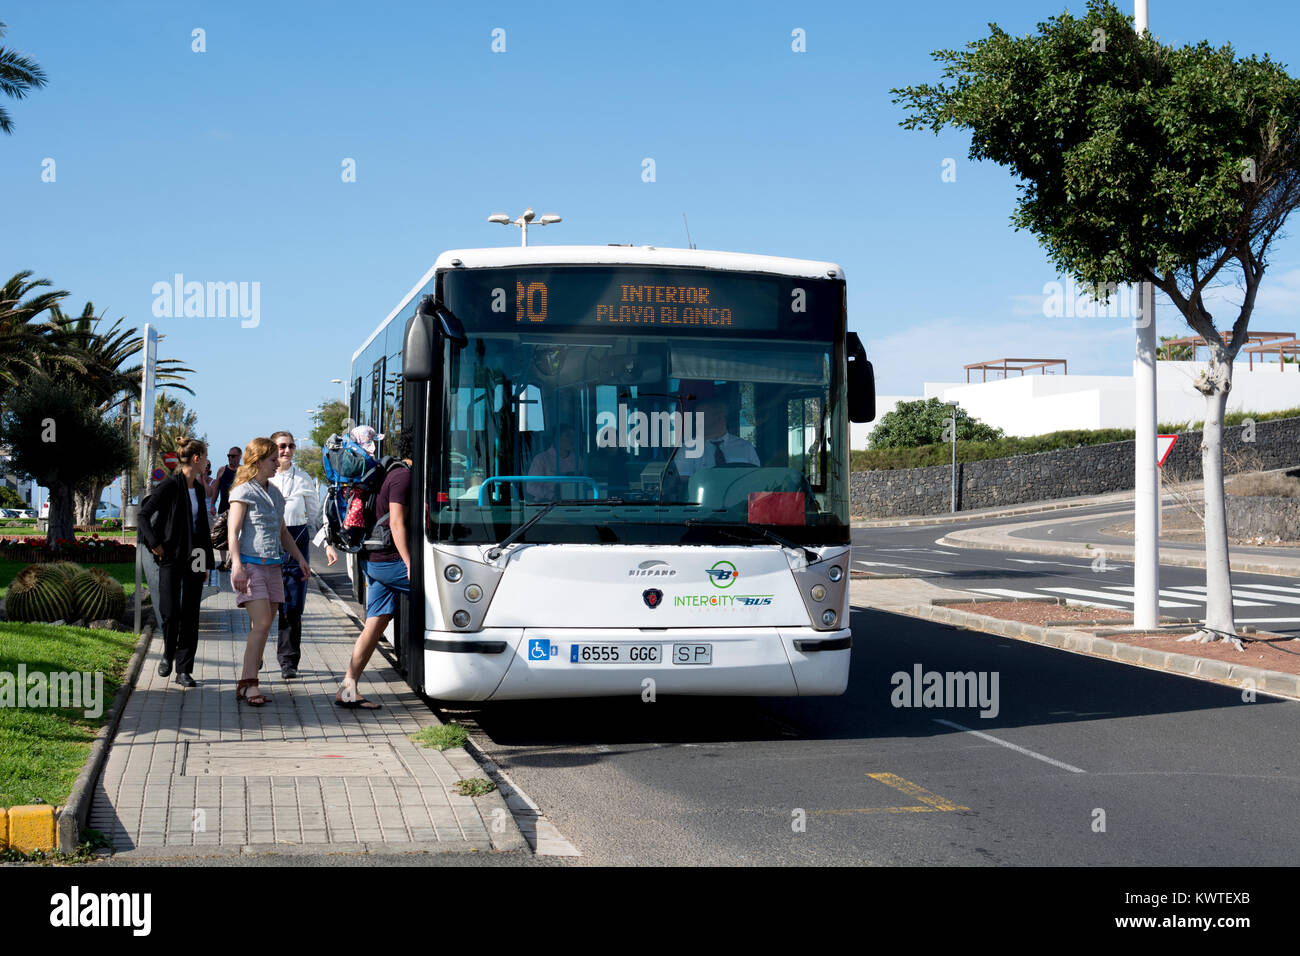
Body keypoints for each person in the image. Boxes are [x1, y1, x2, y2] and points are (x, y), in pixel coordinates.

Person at [328, 430, 412, 710]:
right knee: (440, 592)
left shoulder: (385, 472)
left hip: (373, 560)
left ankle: (348, 687)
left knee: (375, 624)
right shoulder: (401, 476)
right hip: (390, 561)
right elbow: (397, 524)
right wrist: (411, 566)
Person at [228, 437, 310, 706]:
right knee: (261, 623)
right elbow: (233, 531)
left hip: (273, 566)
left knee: (263, 627)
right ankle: (249, 684)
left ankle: (246, 680)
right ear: (259, 461)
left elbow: (282, 531)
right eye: (273, 460)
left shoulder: (274, 493)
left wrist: (299, 558)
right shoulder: (243, 491)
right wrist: (236, 565)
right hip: (250, 566)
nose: (278, 463)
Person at [137, 438, 215, 688]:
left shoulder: (200, 488)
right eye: (205, 457)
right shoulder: (170, 485)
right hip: (170, 556)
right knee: (170, 612)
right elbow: (143, 515)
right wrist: (154, 544)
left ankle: (184, 669)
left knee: (191, 614)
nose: (206, 462)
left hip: (194, 558)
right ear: (196, 458)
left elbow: (201, 528)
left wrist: (204, 563)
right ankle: (168, 653)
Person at [268, 430, 319, 680]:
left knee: (292, 609)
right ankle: (254, 657)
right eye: (281, 446)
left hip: (297, 543)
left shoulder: (303, 479)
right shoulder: (263, 478)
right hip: (267, 547)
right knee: (265, 608)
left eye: (290, 446)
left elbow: (314, 517)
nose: (286, 450)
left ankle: (289, 661)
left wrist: (325, 544)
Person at [673, 394, 759, 478]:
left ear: (719, 418)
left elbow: (755, 479)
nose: (696, 422)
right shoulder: (687, 450)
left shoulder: (745, 447)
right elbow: (684, 485)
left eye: (701, 417)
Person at [526, 423, 583, 500]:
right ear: (556, 438)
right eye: (568, 436)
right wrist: (551, 496)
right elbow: (531, 487)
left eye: (574, 436)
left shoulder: (578, 460)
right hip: (546, 506)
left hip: (575, 503)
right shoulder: (541, 459)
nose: (572, 440)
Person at [209, 445, 240, 570]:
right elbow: (216, 488)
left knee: (235, 535)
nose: (230, 458)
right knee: (222, 534)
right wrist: (212, 504)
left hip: (237, 508)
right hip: (223, 507)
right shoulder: (222, 470)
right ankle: (223, 562)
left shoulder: (243, 471)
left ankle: (232, 561)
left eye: (233, 456)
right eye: (228, 456)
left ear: (239, 457)